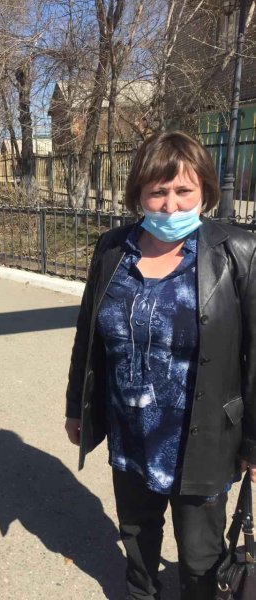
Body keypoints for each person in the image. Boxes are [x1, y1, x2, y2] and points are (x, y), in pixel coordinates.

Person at [65, 131, 256, 600]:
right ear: (139, 194)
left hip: (202, 438)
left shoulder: (237, 251)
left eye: (183, 190)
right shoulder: (112, 249)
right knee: (136, 537)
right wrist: (76, 407)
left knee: (200, 555)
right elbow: (88, 336)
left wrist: (254, 443)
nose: (171, 205)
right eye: (158, 191)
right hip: (130, 432)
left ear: (204, 190)